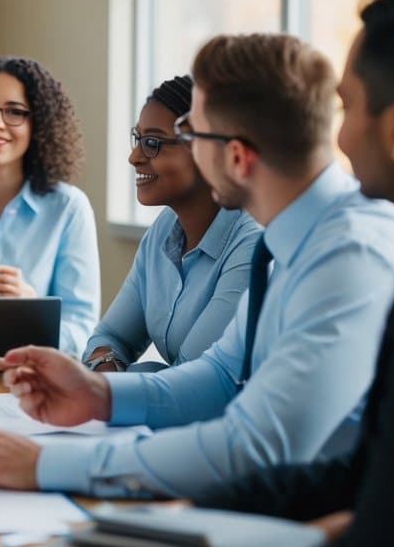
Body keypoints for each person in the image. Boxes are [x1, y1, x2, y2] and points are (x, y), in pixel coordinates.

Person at [0, 32, 394, 500]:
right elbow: (222, 373)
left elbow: (253, 445)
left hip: (327, 517)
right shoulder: (290, 242)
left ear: (236, 157)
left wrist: (48, 464)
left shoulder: (348, 255)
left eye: (192, 134)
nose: (186, 149)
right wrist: (97, 394)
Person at [194, 0, 394, 547]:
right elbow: (369, 477)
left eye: (347, 105)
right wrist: (202, 512)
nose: (336, 134)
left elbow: (392, 530)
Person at [82, 76, 260, 372]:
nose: (134, 157)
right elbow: (109, 337)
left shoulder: (251, 242)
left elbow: (194, 381)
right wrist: (106, 374)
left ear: (207, 150)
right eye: (138, 139)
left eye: (152, 143)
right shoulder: (164, 230)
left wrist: (108, 385)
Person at [0, 56, 99, 356]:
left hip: (34, 374)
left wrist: (34, 314)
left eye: (15, 112)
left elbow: (83, 327)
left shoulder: (69, 208)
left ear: (38, 124)